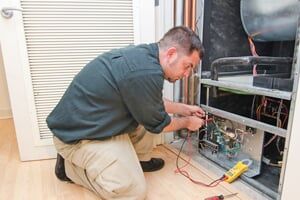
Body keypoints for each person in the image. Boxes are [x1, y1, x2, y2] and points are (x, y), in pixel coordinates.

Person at [46, 26, 205, 200]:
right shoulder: (146, 72)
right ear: (171, 54)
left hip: (94, 123)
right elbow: (161, 124)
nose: (187, 74)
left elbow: (150, 101)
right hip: (77, 137)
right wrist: (187, 122)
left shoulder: (145, 56)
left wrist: (185, 109)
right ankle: (68, 170)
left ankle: (139, 160)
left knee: (147, 115)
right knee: (132, 192)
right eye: (187, 66)